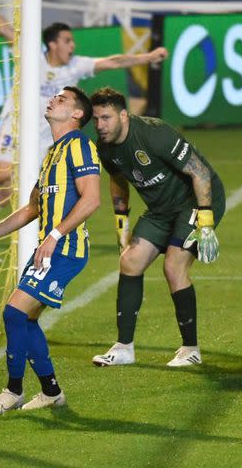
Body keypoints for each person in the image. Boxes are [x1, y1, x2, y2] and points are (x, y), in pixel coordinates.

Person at [0, 0, 168, 247]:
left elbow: (113, 62)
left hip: (44, 138)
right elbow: (3, 28)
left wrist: (147, 57)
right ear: (53, 43)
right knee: (2, 175)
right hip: (15, 124)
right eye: (67, 40)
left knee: (7, 195)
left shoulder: (75, 65)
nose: (73, 45)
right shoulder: (32, 56)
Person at [0, 86, 100, 414]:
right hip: (48, 249)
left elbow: (92, 199)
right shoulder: (53, 153)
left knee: (14, 312)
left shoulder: (79, 146)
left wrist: (54, 235)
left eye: (62, 99)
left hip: (66, 249)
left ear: (77, 114)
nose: (53, 100)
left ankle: (13, 389)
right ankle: (51, 392)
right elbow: (31, 208)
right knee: (26, 319)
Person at [89, 87, 225, 367]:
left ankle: (191, 349)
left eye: (106, 118)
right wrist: (121, 223)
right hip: (161, 210)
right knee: (130, 261)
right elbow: (117, 179)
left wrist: (206, 222)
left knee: (174, 266)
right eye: (96, 119)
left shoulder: (155, 134)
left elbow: (199, 172)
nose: (100, 126)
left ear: (124, 115)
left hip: (194, 202)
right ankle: (124, 348)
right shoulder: (104, 146)